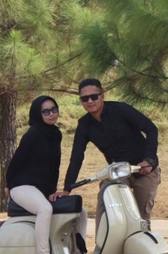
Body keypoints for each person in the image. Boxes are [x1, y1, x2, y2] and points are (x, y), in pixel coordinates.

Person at [63, 78, 161, 230]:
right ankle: (101, 243)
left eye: (94, 96)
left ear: (102, 96)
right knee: (106, 203)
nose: (90, 101)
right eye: (85, 98)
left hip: (144, 170)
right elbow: (77, 157)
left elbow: (151, 129)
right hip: (119, 172)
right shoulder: (84, 124)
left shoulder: (121, 109)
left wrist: (148, 160)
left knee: (141, 219)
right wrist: (67, 188)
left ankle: (142, 245)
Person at [6, 95, 88, 254]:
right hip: (22, 186)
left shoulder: (55, 134)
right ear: (38, 114)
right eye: (46, 111)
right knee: (45, 209)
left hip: (41, 190)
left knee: (80, 211)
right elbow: (16, 160)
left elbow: (53, 166)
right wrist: (8, 184)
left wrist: (53, 191)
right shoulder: (34, 133)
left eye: (54, 109)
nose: (52, 114)